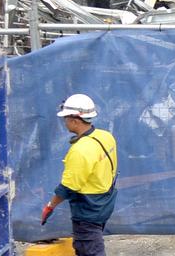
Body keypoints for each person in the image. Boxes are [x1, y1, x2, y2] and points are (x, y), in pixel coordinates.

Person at [41, 93, 118, 256]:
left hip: (88, 208)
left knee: (89, 246)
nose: (64, 122)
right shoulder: (106, 137)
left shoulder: (80, 150)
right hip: (105, 201)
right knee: (88, 242)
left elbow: (68, 187)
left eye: (65, 119)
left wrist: (50, 206)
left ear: (75, 120)